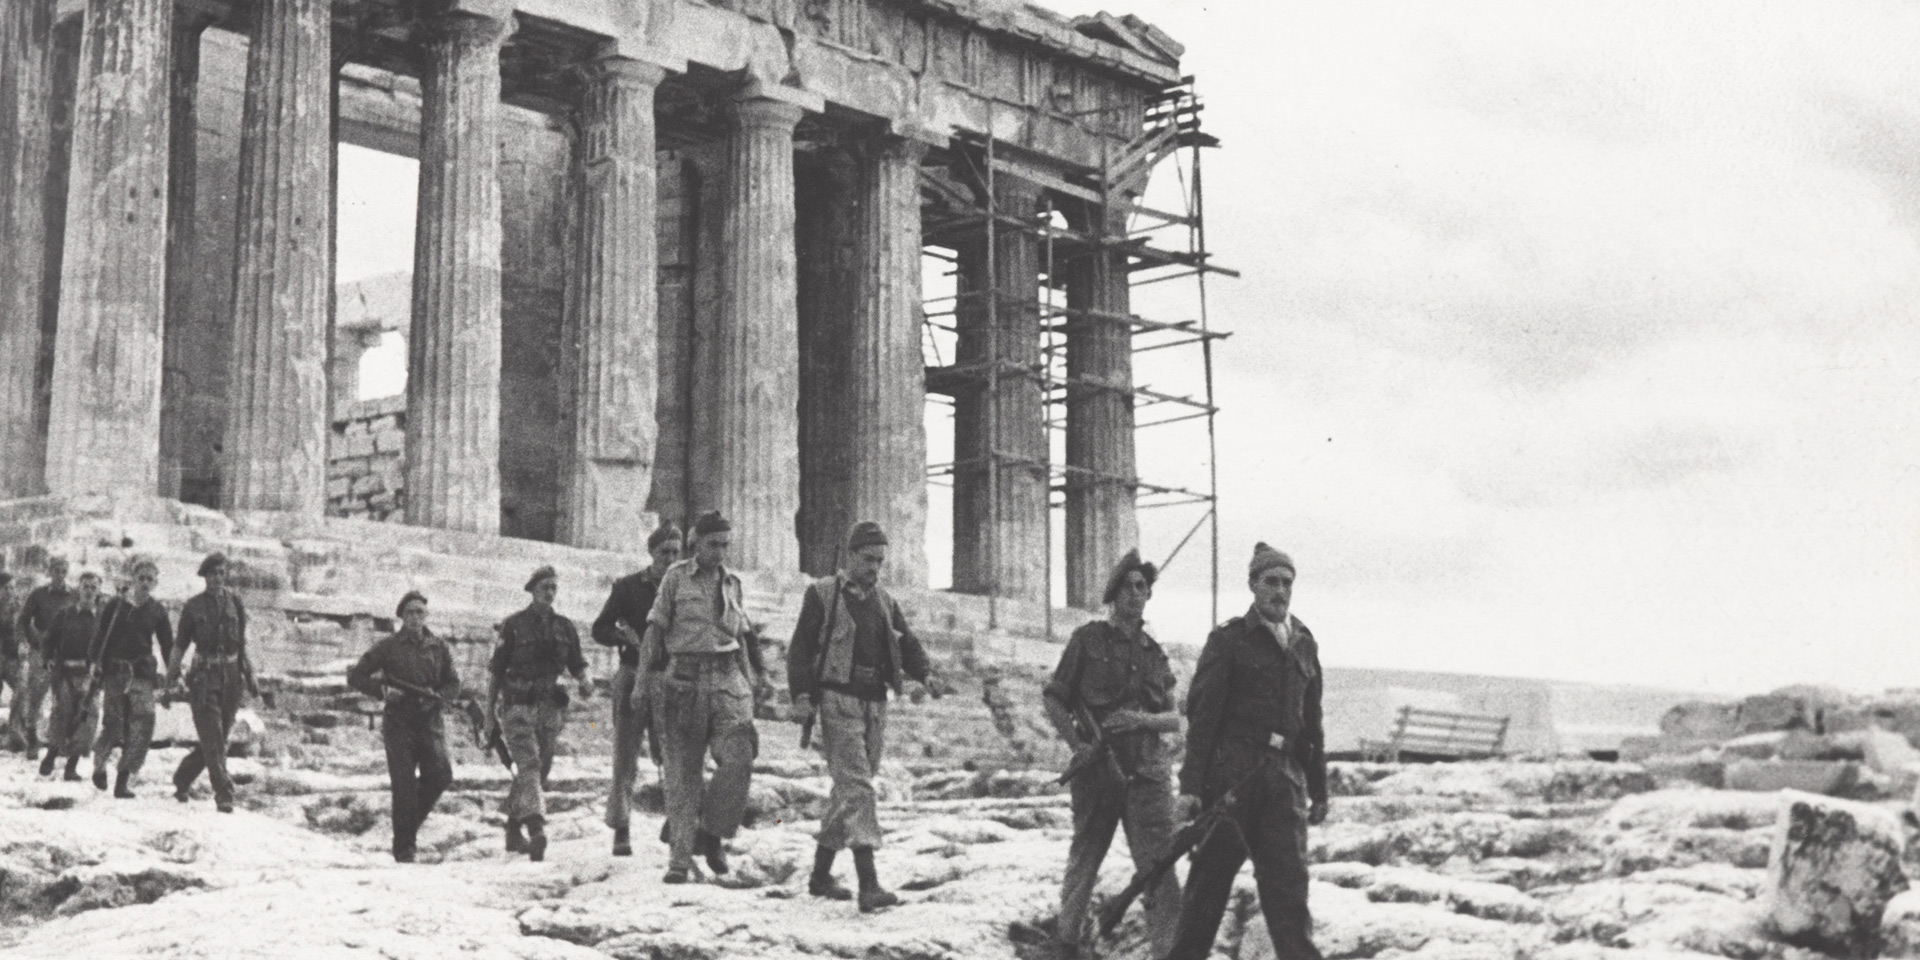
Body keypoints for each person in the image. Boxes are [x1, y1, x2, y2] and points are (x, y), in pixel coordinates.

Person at [1163, 543, 1328, 960]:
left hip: (1285, 786)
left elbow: (1312, 725)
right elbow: (1202, 721)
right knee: (1206, 895)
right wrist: (1191, 787)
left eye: (1287, 582)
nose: (1280, 591)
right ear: (1253, 585)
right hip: (1232, 784)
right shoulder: (1229, 640)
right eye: (1271, 581)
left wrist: (1320, 789)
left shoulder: (1305, 644)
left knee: (1290, 897)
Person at [786, 521, 937, 912]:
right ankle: (868, 883)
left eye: (880, 561)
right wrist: (802, 695)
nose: (874, 568)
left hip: (875, 703)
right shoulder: (822, 595)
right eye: (868, 559)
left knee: (849, 789)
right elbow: (800, 649)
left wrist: (928, 674)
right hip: (838, 701)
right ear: (849, 556)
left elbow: (908, 643)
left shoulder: (885, 602)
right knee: (858, 789)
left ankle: (820, 876)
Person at [1042, 549, 1183, 958]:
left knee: (1159, 868)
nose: (1138, 594)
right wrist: (1079, 746)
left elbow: (1175, 718)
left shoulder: (1155, 654)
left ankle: (1170, 951)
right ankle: (1066, 943)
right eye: (1130, 586)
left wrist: (1140, 720)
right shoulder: (1087, 640)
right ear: (1114, 593)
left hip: (1149, 776)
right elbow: (1054, 699)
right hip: (1098, 773)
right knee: (1085, 859)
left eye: (1144, 587)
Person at [635, 510, 761, 884]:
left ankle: (712, 833)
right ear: (696, 544)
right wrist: (641, 684)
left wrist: (750, 681)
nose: (720, 552)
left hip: (727, 682)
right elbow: (654, 634)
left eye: (725, 544)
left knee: (740, 757)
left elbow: (739, 638)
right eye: (713, 544)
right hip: (684, 682)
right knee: (683, 774)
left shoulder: (733, 584)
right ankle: (678, 859)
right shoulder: (675, 579)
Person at [486, 565, 591, 862]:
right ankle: (536, 829)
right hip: (518, 704)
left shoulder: (564, 627)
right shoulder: (513, 625)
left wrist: (585, 679)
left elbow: (577, 662)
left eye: (553, 588)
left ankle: (512, 827)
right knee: (529, 764)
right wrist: (489, 714)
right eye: (545, 587)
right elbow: (496, 672)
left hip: (549, 708)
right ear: (532, 590)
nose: (550, 592)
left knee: (540, 770)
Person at [348, 591, 461, 863]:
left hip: (429, 721)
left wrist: (441, 697)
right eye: (410, 612)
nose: (415, 617)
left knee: (441, 774)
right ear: (401, 616)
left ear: (426, 616)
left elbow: (453, 682)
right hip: (399, 722)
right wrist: (383, 691)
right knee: (404, 785)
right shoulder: (388, 647)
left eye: (420, 612)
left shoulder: (438, 647)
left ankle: (406, 829)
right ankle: (405, 849)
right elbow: (356, 675)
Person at [592, 522, 682, 857]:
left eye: (675, 553)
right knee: (626, 754)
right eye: (664, 553)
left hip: (670, 677)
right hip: (632, 675)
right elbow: (600, 628)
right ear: (651, 552)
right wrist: (624, 637)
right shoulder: (628, 587)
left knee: (673, 755)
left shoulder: (683, 590)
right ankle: (621, 828)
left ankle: (675, 821)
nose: (670, 558)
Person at [166, 551, 262, 813]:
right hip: (204, 677)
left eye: (222, 573)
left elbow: (241, 644)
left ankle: (183, 777)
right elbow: (179, 646)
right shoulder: (193, 606)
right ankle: (224, 792)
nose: (218, 578)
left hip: (231, 677)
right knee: (214, 737)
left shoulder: (235, 603)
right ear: (205, 577)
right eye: (213, 574)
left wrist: (250, 673)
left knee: (217, 738)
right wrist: (170, 678)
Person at [89, 557, 174, 797]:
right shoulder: (116, 606)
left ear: (156, 582)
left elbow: (168, 645)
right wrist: (95, 663)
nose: (145, 582)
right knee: (113, 723)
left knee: (144, 721)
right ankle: (99, 764)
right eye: (141, 578)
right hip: (115, 671)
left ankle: (123, 778)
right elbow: (99, 636)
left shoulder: (157, 610)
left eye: (150, 579)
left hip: (141, 673)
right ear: (133, 580)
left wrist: (174, 673)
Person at [39, 569, 103, 780]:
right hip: (65, 673)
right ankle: (50, 756)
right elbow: (48, 639)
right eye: (85, 587)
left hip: (89, 676)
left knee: (86, 719)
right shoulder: (65, 615)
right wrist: (48, 658)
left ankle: (71, 767)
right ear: (78, 589)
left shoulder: (102, 620)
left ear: (99, 591)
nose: (89, 591)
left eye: (94, 587)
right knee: (62, 714)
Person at [11, 556, 74, 756]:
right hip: (41, 653)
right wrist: (23, 642)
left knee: (64, 698)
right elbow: (21, 621)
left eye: (63, 570)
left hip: (65, 654)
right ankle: (31, 740)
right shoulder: (38, 595)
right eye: (56, 570)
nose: (59, 574)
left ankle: (60, 741)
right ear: (49, 572)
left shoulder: (74, 595)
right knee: (36, 696)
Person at [0, 572, 21, 748]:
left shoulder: (18, 606)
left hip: (13, 656)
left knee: (22, 689)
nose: (10, 591)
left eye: (13, 588)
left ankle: (15, 733)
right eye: (6, 588)